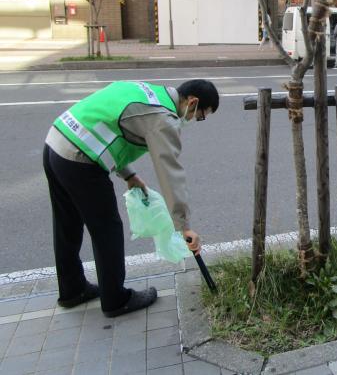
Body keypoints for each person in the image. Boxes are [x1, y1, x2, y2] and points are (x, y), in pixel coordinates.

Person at [43, 79, 219, 317]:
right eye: (200, 116)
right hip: (80, 159)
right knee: (108, 230)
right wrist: (184, 226)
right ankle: (116, 300)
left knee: (67, 224)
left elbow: (111, 127)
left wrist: (129, 174)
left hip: (56, 142)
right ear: (192, 102)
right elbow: (170, 172)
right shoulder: (164, 119)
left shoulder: (148, 92)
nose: (195, 120)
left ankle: (72, 290)